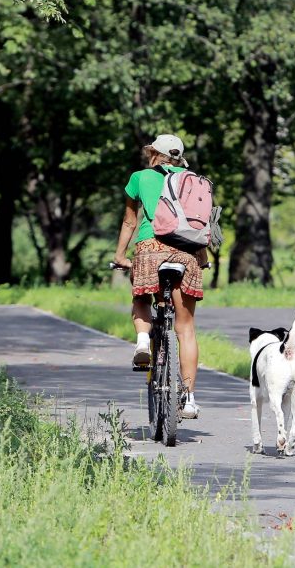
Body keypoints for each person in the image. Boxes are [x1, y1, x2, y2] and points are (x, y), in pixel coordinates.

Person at [113, 134, 207, 419]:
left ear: (154, 153)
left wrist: (120, 256)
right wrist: (202, 257)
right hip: (186, 253)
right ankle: (189, 398)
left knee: (141, 297)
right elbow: (200, 220)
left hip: (149, 250)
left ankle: (143, 341)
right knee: (185, 327)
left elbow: (130, 220)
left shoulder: (139, 178)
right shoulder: (193, 180)